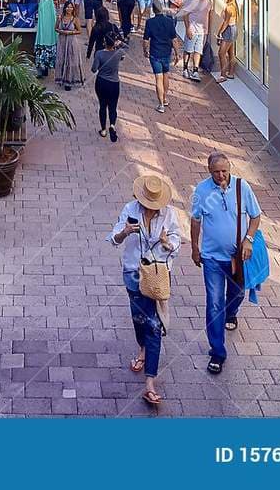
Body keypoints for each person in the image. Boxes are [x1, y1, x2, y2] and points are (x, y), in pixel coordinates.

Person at [110, 174, 181, 408]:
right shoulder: (129, 209)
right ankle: (142, 348)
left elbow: (176, 244)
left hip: (158, 275)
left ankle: (150, 383)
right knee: (139, 319)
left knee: (154, 325)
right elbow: (114, 238)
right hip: (133, 273)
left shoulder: (170, 215)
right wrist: (125, 232)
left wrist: (166, 243)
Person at [190, 151, 261, 374]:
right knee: (213, 302)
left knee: (238, 293)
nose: (221, 176)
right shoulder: (201, 191)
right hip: (211, 258)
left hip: (237, 257)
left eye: (224, 171)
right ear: (209, 171)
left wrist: (248, 239)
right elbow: (195, 219)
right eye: (216, 172)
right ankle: (218, 352)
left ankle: (231, 313)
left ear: (230, 168)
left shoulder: (242, 187)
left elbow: (256, 216)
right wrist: (194, 247)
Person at [143, 4, 177, 113]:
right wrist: (177, 54)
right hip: (167, 53)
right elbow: (174, 40)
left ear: (153, 9)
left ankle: (161, 104)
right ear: (162, 9)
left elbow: (146, 40)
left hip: (155, 53)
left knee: (158, 78)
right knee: (166, 75)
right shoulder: (169, 21)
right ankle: (165, 98)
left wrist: (145, 50)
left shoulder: (150, 22)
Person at [178, 0, 213, 81]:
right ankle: (185, 68)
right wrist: (188, 28)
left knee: (198, 51)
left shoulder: (209, 1)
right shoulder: (192, 0)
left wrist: (208, 30)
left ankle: (195, 71)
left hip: (202, 31)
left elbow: (209, 15)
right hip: (192, 29)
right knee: (188, 50)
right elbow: (185, 14)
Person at [92, 31, 123, 142]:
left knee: (102, 105)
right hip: (114, 83)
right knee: (113, 107)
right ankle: (113, 125)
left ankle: (103, 130)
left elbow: (94, 69)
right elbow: (125, 47)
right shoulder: (119, 53)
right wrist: (119, 43)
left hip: (101, 82)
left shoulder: (99, 54)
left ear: (104, 42)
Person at [34, 0, 60, 77]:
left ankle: (42, 67)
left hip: (47, 23)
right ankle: (45, 68)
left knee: (45, 41)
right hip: (46, 23)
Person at [54, 0, 85, 89]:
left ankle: (69, 80)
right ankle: (61, 79)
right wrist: (61, 31)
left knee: (70, 60)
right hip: (62, 41)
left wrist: (70, 32)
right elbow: (55, 28)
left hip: (71, 42)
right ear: (65, 8)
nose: (69, 9)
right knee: (61, 59)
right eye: (68, 7)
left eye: (71, 7)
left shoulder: (75, 19)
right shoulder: (60, 17)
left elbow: (79, 31)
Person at [217, 0, 239, 81]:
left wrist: (219, 33)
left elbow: (226, 22)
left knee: (221, 53)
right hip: (233, 29)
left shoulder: (229, 8)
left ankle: (223, 75)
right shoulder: (234, 6)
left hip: (229, 30)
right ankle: (231, 73)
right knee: (230, 53)